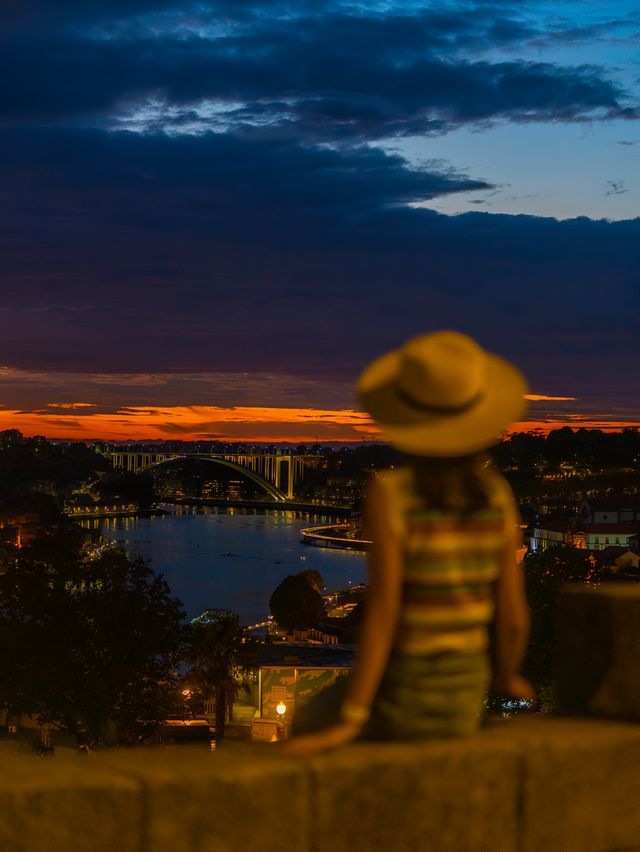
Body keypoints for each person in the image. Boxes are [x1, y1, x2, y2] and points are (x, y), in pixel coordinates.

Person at [283, 330, 534, 756]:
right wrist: (510, 678)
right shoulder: (496, 495)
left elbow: (385, 611)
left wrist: (354, 715)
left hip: (410, 686)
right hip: (466, 691)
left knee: (305, 722)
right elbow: (513, 616)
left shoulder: (392, 493)